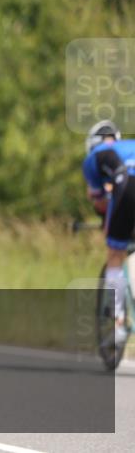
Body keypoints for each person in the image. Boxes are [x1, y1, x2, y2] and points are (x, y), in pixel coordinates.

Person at [83, 120, 135, 345]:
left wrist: (108, 225)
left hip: (128, 184)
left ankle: (118, 324)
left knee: (115, 253)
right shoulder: (129, 146)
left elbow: (101, 201)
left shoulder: (93, 159)